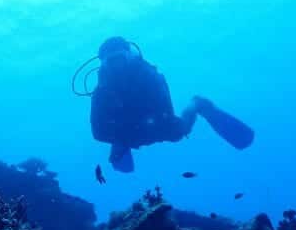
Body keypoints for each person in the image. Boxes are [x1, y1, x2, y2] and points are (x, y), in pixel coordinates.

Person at [86, 36, 254, 172]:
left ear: (129, 56)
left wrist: (146, 128)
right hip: (128, 133)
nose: (117, 68)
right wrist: (124, 136)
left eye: (120, 60)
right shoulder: (102, 91)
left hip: (156, 125)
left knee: (178, 133)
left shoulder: (148, 75)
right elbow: (97, 132)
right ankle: (121, 144)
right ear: (104, 65)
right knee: (118, 152)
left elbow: (165, 111)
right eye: (111, 63)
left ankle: (197, 104)